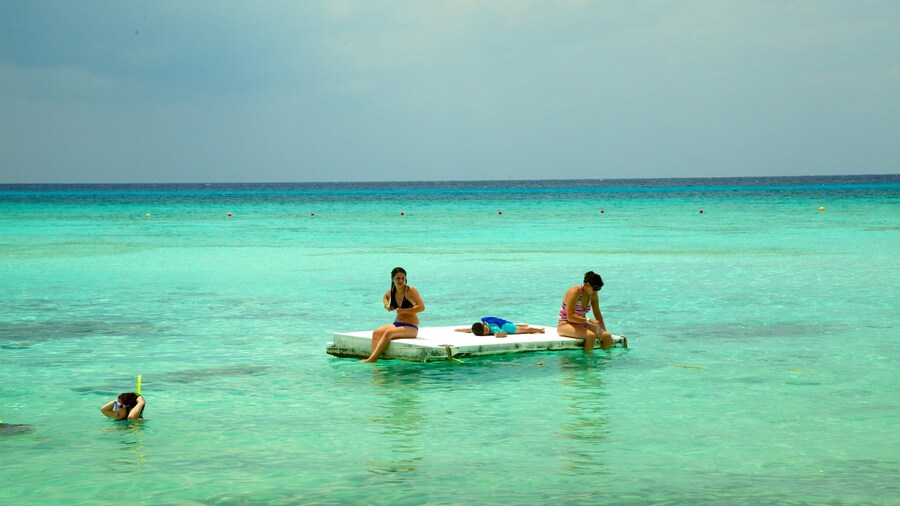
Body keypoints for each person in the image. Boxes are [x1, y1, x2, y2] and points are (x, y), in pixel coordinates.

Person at [362, 267, 425, 363]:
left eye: (403, 278)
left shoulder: (410, 290)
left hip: (411, 327)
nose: (400, 281)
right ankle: (373, 357)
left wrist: (404, 311)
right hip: (397, 324)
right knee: (376, 333)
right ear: (392, 279)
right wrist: (386, 305)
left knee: (388, 333)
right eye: (397, 278)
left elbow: (421, 307)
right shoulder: (392, 290)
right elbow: (385, 296)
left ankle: (372, 359)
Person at [558, 271, 624, 351]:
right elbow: (570, 317)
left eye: (598, 289)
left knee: (606, 336)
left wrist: (604, 330)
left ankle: (606, 361)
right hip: (566, 324)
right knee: (590, 336)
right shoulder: (575, 292)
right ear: (587, 285)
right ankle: (587, 361)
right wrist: (588, 320)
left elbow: (597, 314)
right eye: (595, 289)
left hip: (581, 324)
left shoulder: (593, 295)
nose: (596, 292)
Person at [455, 317, 546, 337]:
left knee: (524, 330)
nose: (487, 333)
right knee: (514, 325)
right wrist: (459, 330)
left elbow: (504, 333)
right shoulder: (479, 329)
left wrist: (498, 335)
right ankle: (521, 324)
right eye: (485, 334)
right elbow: (469, 330)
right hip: (503, 323)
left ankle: (540, 330)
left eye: (487, 330)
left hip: (504, 326)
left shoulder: (493, 328)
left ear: (484, 324)